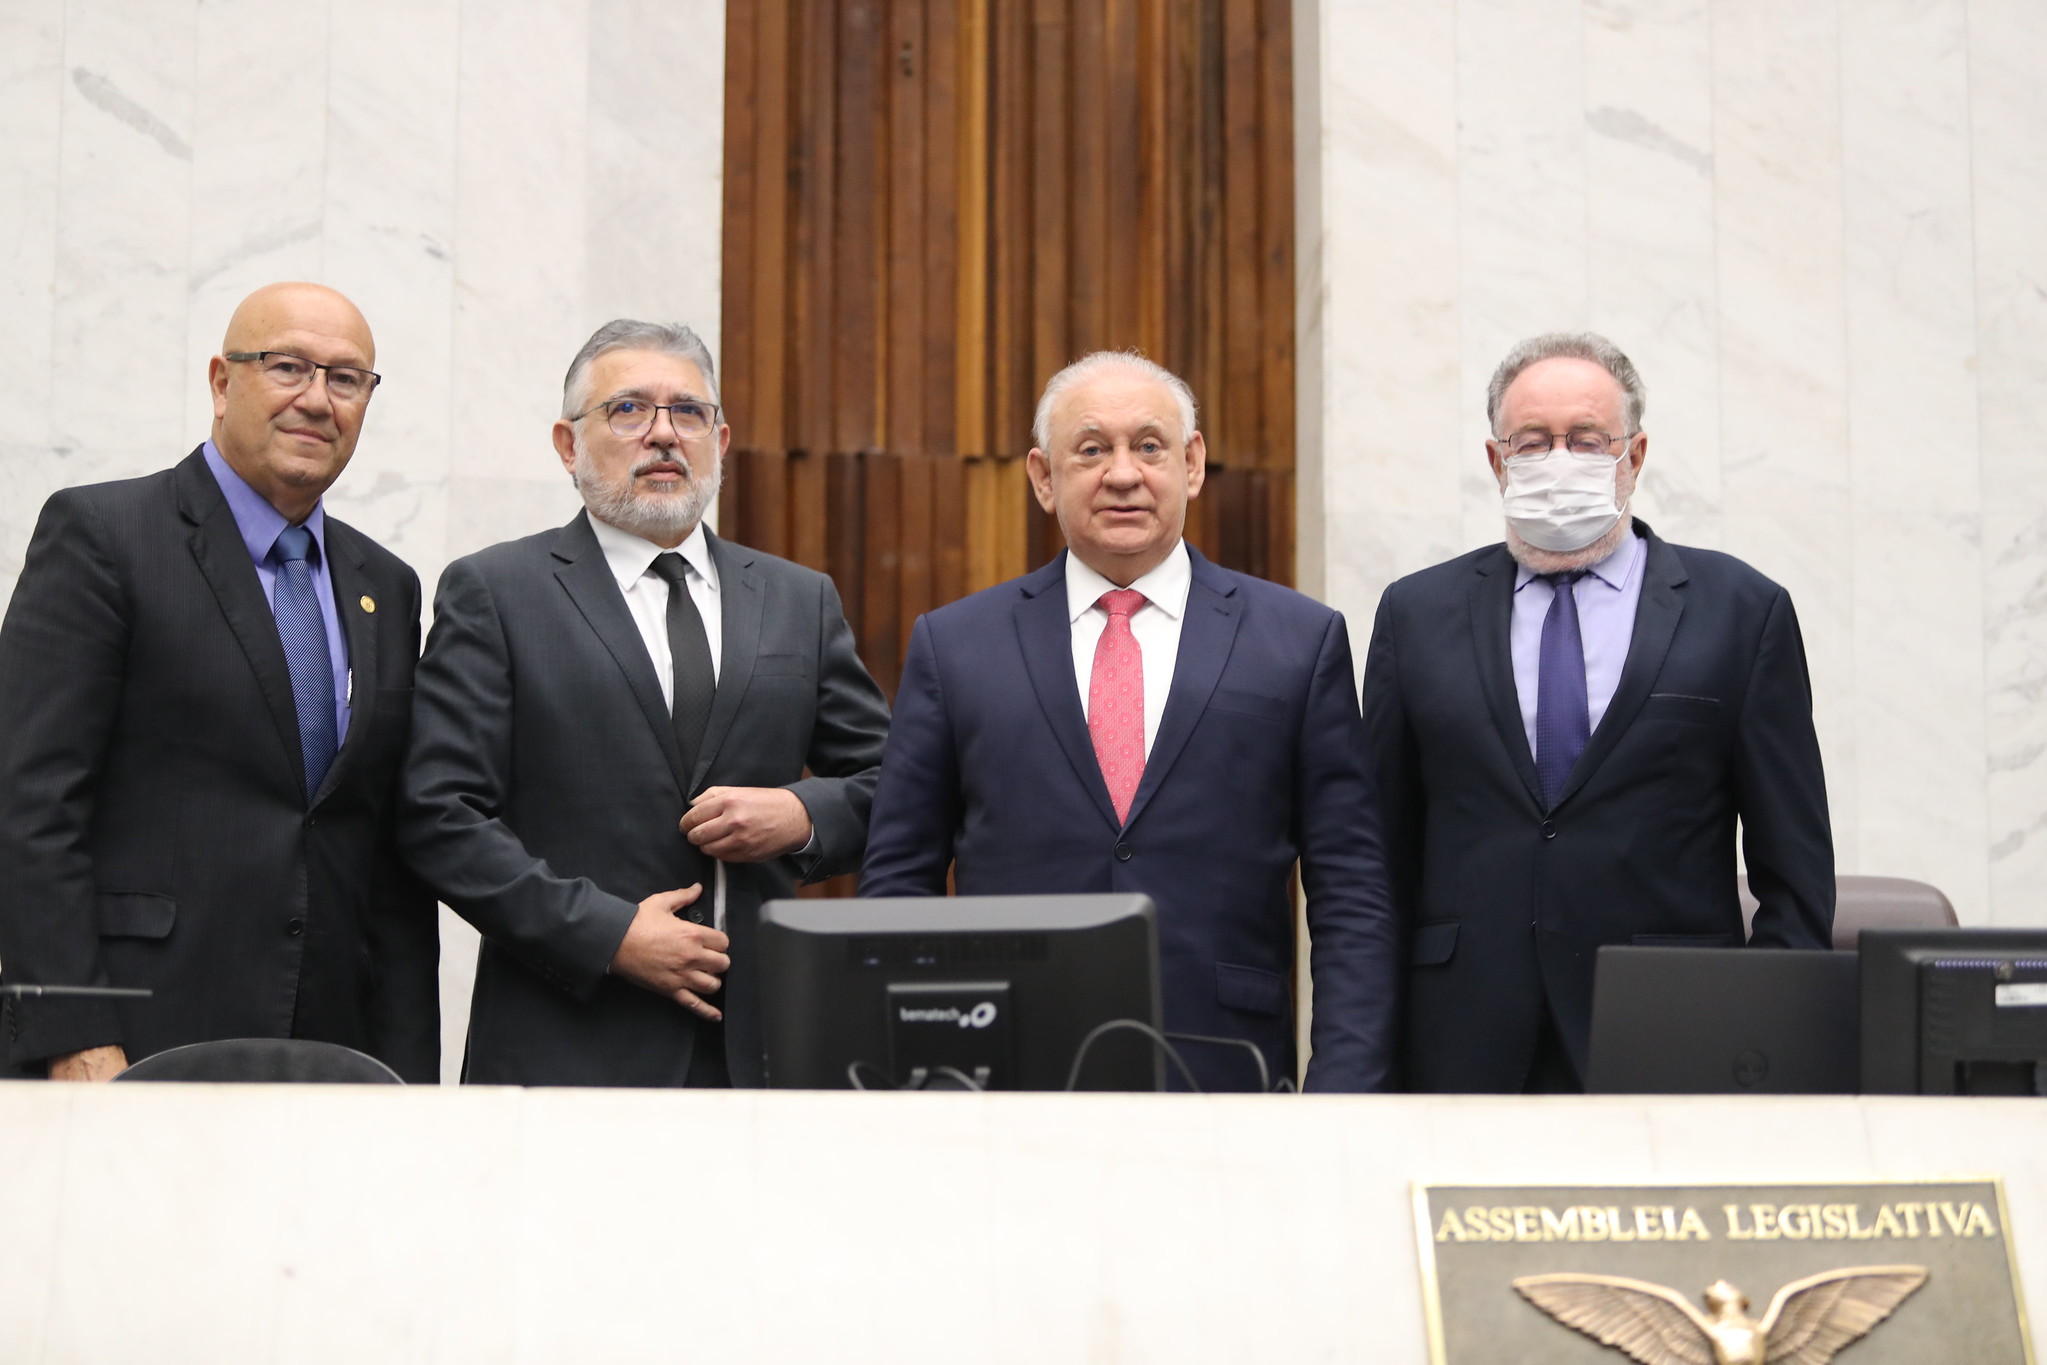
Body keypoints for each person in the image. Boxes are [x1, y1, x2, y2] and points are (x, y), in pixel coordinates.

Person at [860, 352, 1399, 1092]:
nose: (1122, 474)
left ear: (1192, 463)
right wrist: (916, 1075)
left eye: (1149, 446)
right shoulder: (955, 646)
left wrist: (1343, 1092)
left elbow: (1352, 891)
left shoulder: (1299, 641)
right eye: (1091, 449)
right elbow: (899, 880)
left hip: (1226, 1072)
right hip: (1004, 1077)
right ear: (1043, 477)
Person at [400, 319, 890, 1087]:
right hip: (566, 1047)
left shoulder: (799, 599)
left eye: (687, 411)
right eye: (628, 409)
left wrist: (802, 814)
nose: (663, 433)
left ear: (719, 443)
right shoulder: (496, 592)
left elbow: (892, 783)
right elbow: (439, 815)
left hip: (761, 1052)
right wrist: (609, 934)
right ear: (568, 445)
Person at [1362, 331, 1834, 1093]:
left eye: (1586, 440)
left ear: (1634, 456)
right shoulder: (1414, 615)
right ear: (1496, 461)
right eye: (1531, 441)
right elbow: (1378, 862)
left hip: (1673, 1035)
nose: (1558, 460)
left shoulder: (1740, 612)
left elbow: (1795, 875)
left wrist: (1761, 1048)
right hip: (1463, 1041)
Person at [0, 282, 440, 1081]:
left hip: (332, 1055)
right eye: (287, 366)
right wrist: (72, 1030)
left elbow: (387, 862)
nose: (317, 400)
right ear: (221, 381)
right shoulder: (104, 537)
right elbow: (28, 801)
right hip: (134, 1039)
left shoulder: (387, 584)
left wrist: (409, 1074)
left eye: (346, 379)